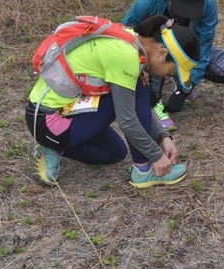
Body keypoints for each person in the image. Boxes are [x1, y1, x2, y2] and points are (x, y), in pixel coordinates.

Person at [25, 15, 200, 188]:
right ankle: (143, 170)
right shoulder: (125, 56)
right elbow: (128, 120)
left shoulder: (131, 40)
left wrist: (163, 137)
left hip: (62, 115)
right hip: (46, 120)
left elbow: (135, 106)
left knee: (115, 153)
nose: (167, 77)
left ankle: (50, 146)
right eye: (171, 72)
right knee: (139, 86)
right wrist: (156, 156)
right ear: (162, 53)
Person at [122, 0, 224, 131]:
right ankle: (154, 102)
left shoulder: (208, 5)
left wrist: (185, 88)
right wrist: (138, 82)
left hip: (184, 48)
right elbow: (125, 33)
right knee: (161, 48)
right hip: (154, 48)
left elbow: (203, 48)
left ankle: (177, 76)